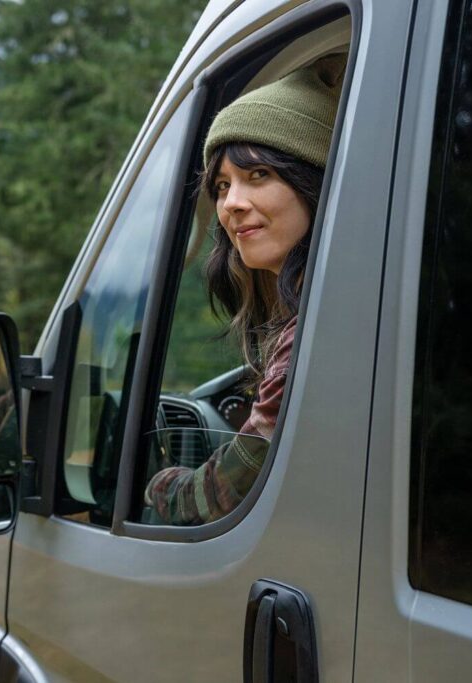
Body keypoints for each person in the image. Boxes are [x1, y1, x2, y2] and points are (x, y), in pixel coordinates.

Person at [144, 54, 346, 526]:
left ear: (312, 181)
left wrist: (150, 481)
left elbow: (217, 497)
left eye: (259, 175)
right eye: (221, 185)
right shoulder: (321, 314)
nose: (232, 203)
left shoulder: (318, 330)